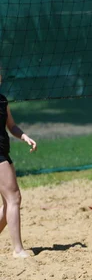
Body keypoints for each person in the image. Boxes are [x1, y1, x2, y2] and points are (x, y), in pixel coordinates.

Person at [0, 70, 37, 258]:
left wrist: (24, 136)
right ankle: (18, 250)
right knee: (14, 198)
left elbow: (11, 125)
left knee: (10, 202)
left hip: (3, 152)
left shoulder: (2, 100)